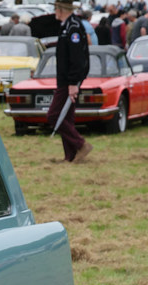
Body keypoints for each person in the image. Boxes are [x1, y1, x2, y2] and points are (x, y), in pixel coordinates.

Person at [47, 0, 92, 163]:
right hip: (64, 79)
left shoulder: (73, 27)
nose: (54, 12)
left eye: (56, 9)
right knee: (66, 116)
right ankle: (70, 156)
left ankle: (80, 144)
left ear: (61, 9)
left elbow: (77, 57)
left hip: (69, 81)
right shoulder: (67, 26)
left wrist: (73, 82)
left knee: (53, 115)